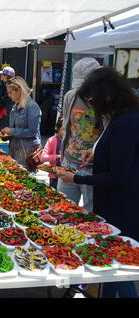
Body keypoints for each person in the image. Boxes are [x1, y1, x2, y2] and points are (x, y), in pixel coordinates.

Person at [58, 67, 139, 298]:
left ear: (108, 95)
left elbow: (119, 176)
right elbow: (118, 155)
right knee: (112, 269)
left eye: (93, 100)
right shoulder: (122, 117)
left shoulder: (127, 122)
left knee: (121, 269)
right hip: (116, 205)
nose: (91, 105)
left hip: (122, 207)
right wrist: (97, 153)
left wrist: (77, 178)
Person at [57, 57, 101, 212]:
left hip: (92, 168)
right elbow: (66, 125)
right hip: (69, 162)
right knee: (63, 209)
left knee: (92, 213)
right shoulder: (71, 96)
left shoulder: (105, 100)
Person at [0, 76, 41, 171]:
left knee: (25, 179)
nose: (9, 95)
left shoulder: (32, 106)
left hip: (27, 150)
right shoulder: (15, 106)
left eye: (11, 92)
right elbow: (16, 129)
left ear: (19, 90)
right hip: (15, 148)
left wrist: (11, 130)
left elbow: (32, 131)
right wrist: (8, 135)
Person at [40, 118, 64, 189]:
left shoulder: (71, 141)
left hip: (67, 175)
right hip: (55, 174)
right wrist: (57, 156)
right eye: (63, 129)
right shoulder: (52, 140)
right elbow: (43, 158)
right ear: (58, 128)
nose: (66, 131)